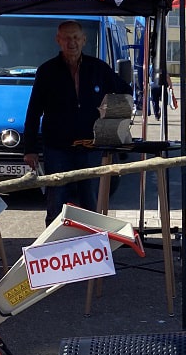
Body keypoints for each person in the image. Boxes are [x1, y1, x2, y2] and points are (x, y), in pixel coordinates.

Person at [22, 20, 132, 224]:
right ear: (58, 40)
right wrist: (30, 149)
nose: (71, 42)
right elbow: (33, 111)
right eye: (66, 38)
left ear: (84, 40)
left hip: (91, 148)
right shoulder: (46, 71)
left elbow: (126, 91)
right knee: (56, 204)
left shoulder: (99, 68)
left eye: (75, 38)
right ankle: (53, 248)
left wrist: (111, 128)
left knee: (91, 204)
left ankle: (91, 250)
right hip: (57, 149)